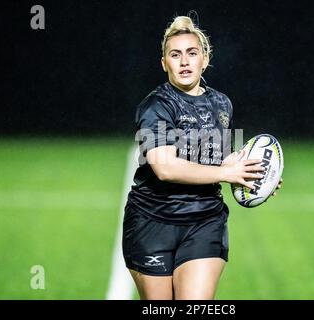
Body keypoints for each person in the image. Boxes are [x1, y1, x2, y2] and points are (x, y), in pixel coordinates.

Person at [122, 14, 282, 300]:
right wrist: (225, 174)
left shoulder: (222, 103)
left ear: (205, 59)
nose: (184, 61)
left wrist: (252, 174)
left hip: (205, 221)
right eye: (175, 55)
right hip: (151, 223)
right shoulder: (155, 106)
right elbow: (165, 168)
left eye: (192, 53)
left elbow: (215, 158)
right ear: (164, 63)